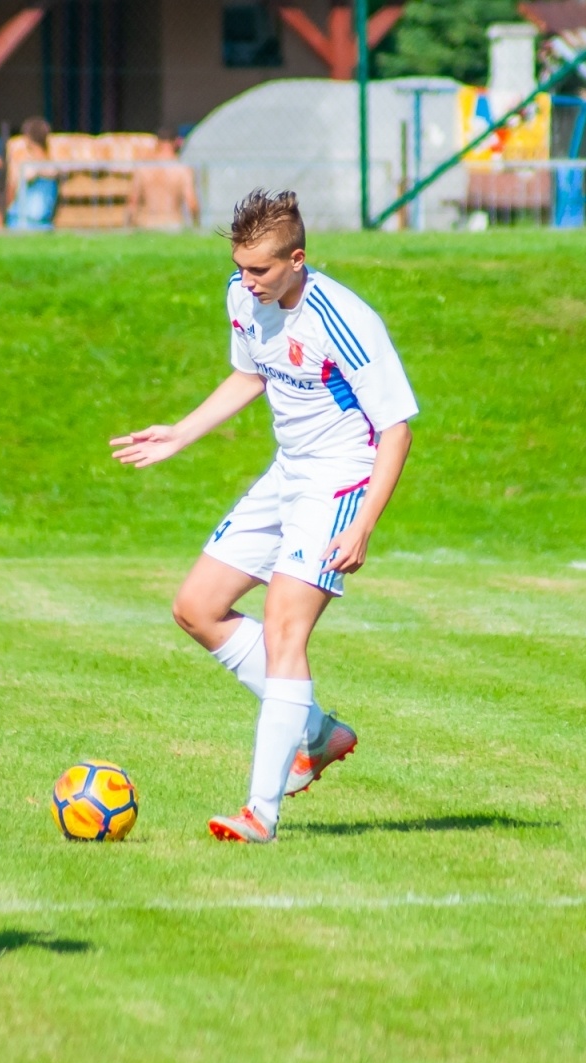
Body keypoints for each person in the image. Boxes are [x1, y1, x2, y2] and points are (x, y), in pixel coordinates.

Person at [110, 190, 416, 844]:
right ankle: (317, 732)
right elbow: (250, 376)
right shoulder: (242, 297)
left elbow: (395, 428)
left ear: (297, 260)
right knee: (196, 605)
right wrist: (180, 433)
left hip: (340, 480)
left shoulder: (344, 319)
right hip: (288, 473)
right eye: (240, 268)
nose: (246, 283)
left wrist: (363, 522)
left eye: (261, 271)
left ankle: (260, 812)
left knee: (284, 628)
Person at [126, 127, 198, 231]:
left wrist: (128, 227)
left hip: (146, 224)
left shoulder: (143, 168)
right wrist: (196, 225)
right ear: (177, 142)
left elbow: (132, 201)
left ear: (157, 142)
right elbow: (191, 202)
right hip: (173, 224)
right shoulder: (182, 169)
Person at [5, 116, 57, 230]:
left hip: (27, 222)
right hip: (24, 221)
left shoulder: (27, 166)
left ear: (28, 139)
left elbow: (13, 186)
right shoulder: (51, 165)